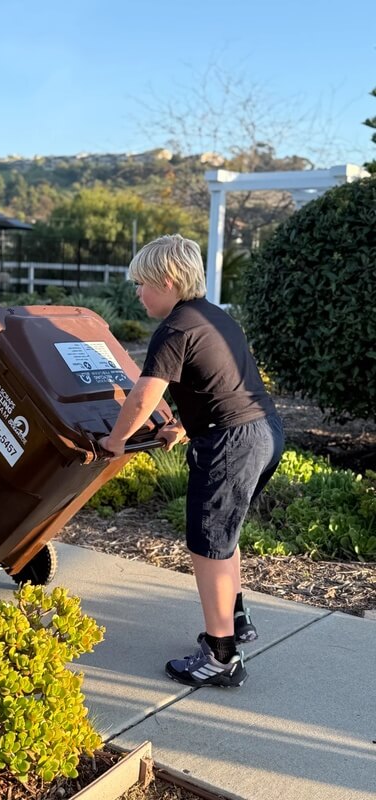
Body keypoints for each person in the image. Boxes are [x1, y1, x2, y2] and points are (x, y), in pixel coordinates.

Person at [99, 234, 284, 688]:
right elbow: (222, 381)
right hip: (265, 432)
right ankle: (235, 619)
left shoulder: (175, 327)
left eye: (141, 284)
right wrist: (185, 425)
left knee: (208, 544)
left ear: (166, 280)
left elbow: (145, 394)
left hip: (232, 443)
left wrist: (117, 439)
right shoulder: (214, 318)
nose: (138, 294)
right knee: (224, 534)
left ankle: (221, 655)